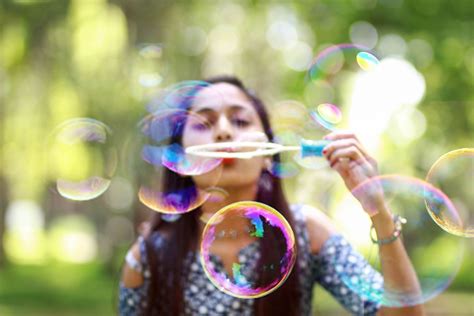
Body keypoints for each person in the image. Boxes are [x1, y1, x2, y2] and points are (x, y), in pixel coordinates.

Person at [118, 76, 424, 315]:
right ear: (181, 158)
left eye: (240, 121)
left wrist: (379, 212)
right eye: (203, 122)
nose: (223, 132)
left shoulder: (306, 232)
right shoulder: (148, 257)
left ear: (268, 155)